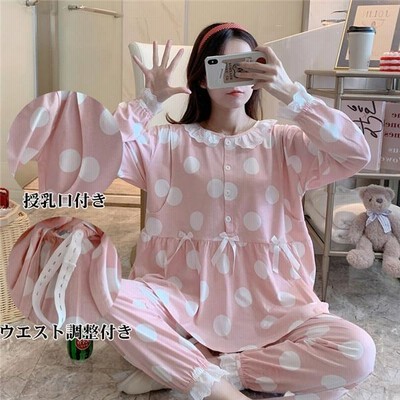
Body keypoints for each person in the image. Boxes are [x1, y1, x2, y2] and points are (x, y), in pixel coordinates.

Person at [110, 22, 376, 400]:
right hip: (179, 301)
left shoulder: (284, 142)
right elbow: (100, 155)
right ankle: (205, 374)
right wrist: (148, 102)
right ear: (202, 78)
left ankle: (201, 369)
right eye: (221, 65)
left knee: (357, 353)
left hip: (276, 307)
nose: (235, 76)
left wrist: (290, 92)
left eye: (247, 65)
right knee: (107, 295)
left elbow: (356, 152)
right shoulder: (165, 142)